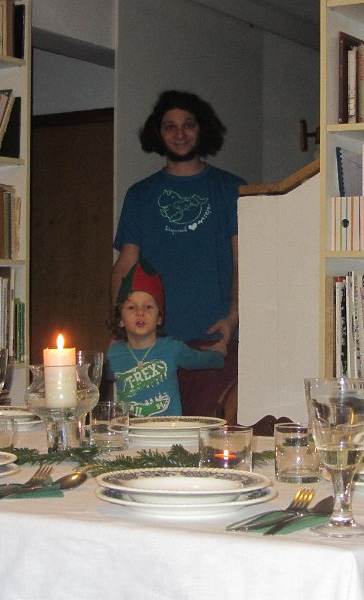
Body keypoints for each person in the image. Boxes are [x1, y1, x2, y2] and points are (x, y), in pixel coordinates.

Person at [110, 90, 245, 417]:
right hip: (152, 343)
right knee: (154, 432)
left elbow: (244, 262)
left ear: (202, 130)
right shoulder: (140, 194)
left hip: (216, 340)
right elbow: (126, 264)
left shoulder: (232, 189)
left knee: (211, 430)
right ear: (158, 133)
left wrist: (234, 316)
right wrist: (118, 325)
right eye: (170, 126)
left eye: (188, 125)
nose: (180, 134)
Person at [107, 261, 226, 418]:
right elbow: (98, 381)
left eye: (148, 307)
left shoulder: (172, 348)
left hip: (169, 429)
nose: (140, 312)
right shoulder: (114, 353)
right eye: (131, 307)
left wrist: (220, 353)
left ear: (159, 318)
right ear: (120, 319)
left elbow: (201, 360)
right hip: (130, 430)